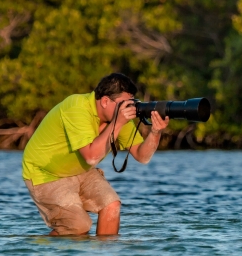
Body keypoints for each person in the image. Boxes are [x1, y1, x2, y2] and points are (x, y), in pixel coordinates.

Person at [22, 73, 169, 236]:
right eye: (124, 104)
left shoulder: (119, 117)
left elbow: (142, 156)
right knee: (78, 227)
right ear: (105, 101)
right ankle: (38, 253)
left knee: (111, 205)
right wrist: (117, 122)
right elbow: (91, 156)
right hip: (46, 174)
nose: (129, 109)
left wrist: (155, 132)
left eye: (131, 103)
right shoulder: (77, 107)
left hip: (80, 170)